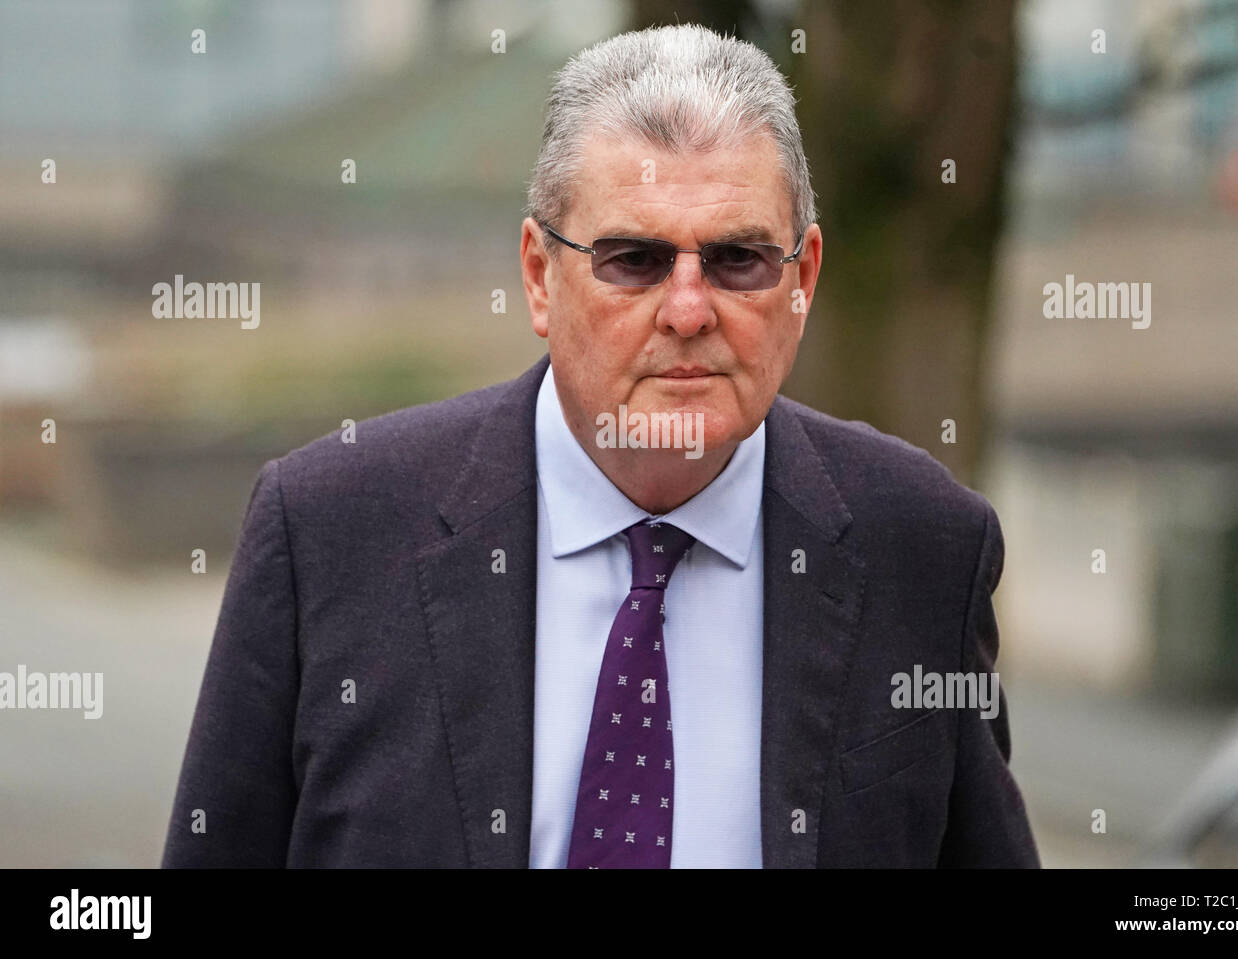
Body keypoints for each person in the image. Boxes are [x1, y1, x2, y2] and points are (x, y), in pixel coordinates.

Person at [162, 23, 1039, 868]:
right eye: (634, 259)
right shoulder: (328, 533)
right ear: (541, 277)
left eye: (737, 259)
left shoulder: (924, 549)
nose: (689, 310)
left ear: (803, 279)